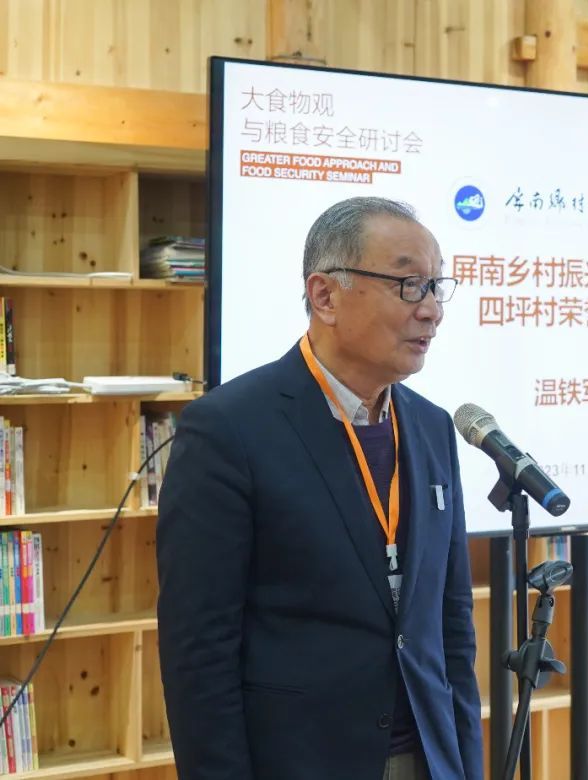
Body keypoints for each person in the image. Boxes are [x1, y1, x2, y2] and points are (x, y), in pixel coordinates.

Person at [156, 196, 483, 779]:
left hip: (428, 758)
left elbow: (451, 624)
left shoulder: (432, 428)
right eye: (409, 285)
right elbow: (199, 651)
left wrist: (465, 764)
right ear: (325, 296)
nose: (432, 310)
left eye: (437, 286)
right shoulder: (229, 429)